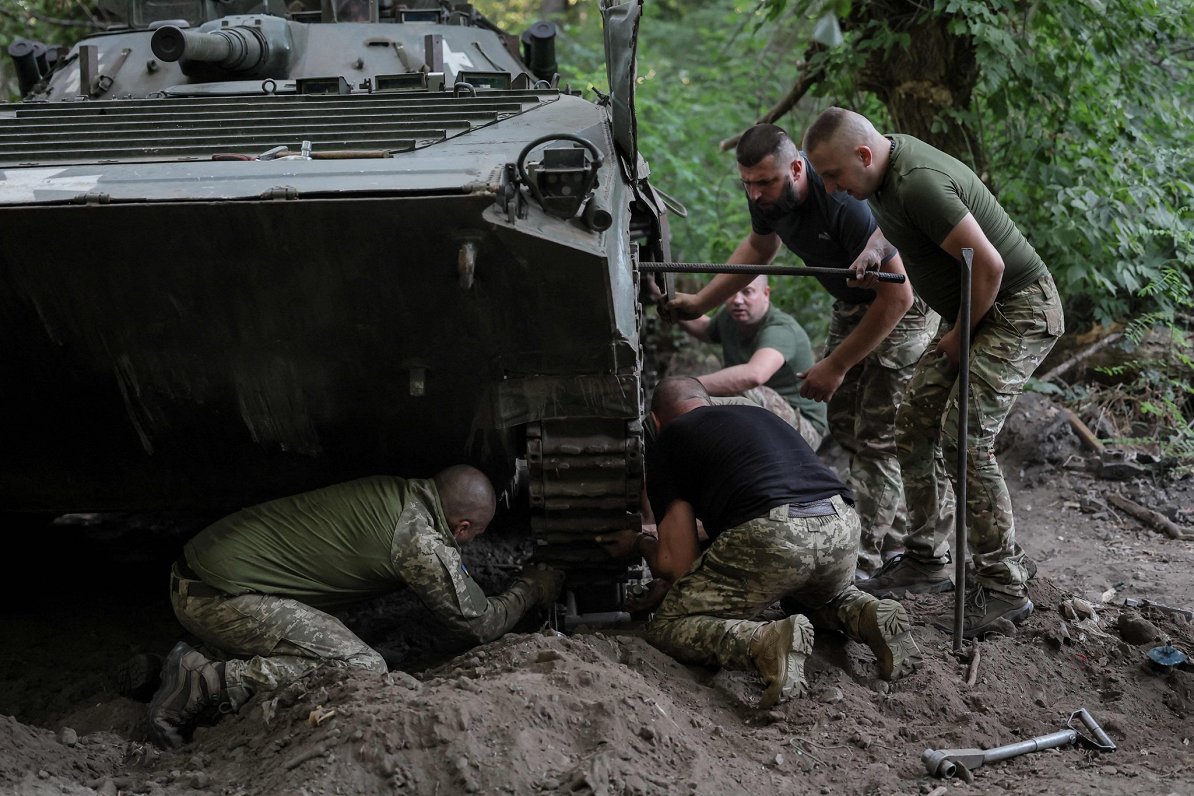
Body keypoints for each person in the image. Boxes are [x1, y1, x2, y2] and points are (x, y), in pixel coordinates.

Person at [803, 107, 1064, 637]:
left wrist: (957, 337)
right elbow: (895, 225)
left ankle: (1004, 586)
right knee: (913, 423)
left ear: (863, 154)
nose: (829, 189)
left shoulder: (917, 181)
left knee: (964, 439)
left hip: (1019, 308)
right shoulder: (881, 174)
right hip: (980, 312)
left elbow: (988, 265)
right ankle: (927, 558)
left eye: (833, 176)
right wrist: (874, 248)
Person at [669, 123, 934, 575]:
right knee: (847, 426)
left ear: (796, 168)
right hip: (852, 305)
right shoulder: (768, 199)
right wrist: (698, 302)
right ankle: (893, 541)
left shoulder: (843, 202)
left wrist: (836, 365)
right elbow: (758, 248)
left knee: (878, 437)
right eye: (747, 183)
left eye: (765, 182)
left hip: (904, 310)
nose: (755, 194)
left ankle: (866, 561)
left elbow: (900, 296)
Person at [147, 465, 564, 748]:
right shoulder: (419, 540)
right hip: (217, 598)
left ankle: (171, 668)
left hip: (196, 577)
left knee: (322, 638)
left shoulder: (399, 492)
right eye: (472, 537)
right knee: (362, 665)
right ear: (463, 527)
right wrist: (532, 589)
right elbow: (479, 624)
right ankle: (211, 679)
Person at [597, 377, 921, 708]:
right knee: (810, 598)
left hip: (774, 534)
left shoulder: (669, 440)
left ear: (655, 421)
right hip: (841, 521)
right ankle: (866, 613)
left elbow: (677, 565)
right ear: (708, 402)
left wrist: (639, 544)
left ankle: (762, 642)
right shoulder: (759, 416)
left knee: (668, 625)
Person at [676, 274, 828, 450]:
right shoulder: (730, 317)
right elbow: (704, 328)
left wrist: (687, 387)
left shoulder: (781, 329)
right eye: (731, 292)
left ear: (766, 293)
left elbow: (754, 375)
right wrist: (666, 300)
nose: (738, 300)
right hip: (764, 416)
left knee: (738, 391)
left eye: (747, 292)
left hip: (803, 427)